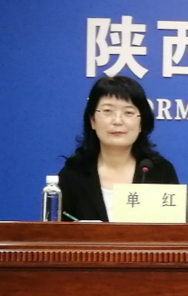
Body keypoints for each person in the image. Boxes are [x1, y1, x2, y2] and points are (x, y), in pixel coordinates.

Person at [58, 75, 178, 221]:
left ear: (142, 123)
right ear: (92, 120)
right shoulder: (73, 174)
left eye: (128, 113)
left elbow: (172, 231)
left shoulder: (160, 172)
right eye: (107, 111)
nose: (117, 121)